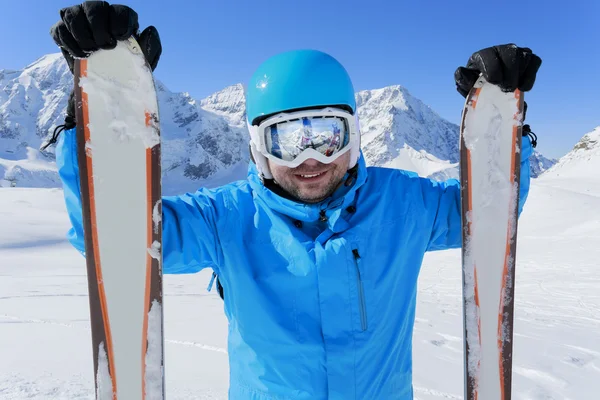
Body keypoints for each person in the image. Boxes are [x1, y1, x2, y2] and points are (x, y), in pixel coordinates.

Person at [49, 2, 542, 399]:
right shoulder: (227, 218)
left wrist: (502, 132)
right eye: (286, 139)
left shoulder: (404, 203)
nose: (311, 158)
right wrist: (96, 121)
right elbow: (115, 238)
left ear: (353, 136)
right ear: (257, 145)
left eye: (328, 134)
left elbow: (490, 212)